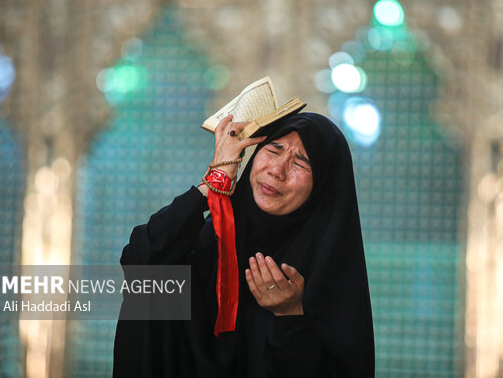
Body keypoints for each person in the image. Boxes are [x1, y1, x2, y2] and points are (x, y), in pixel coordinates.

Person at [113, 112, 375, 377]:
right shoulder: (213, 240)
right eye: (273, 150)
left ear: (322, 188)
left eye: (301, 163)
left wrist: (290, 317)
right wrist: (213, 183)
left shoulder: (330, 274)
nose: (277, 170)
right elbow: (140, 264)